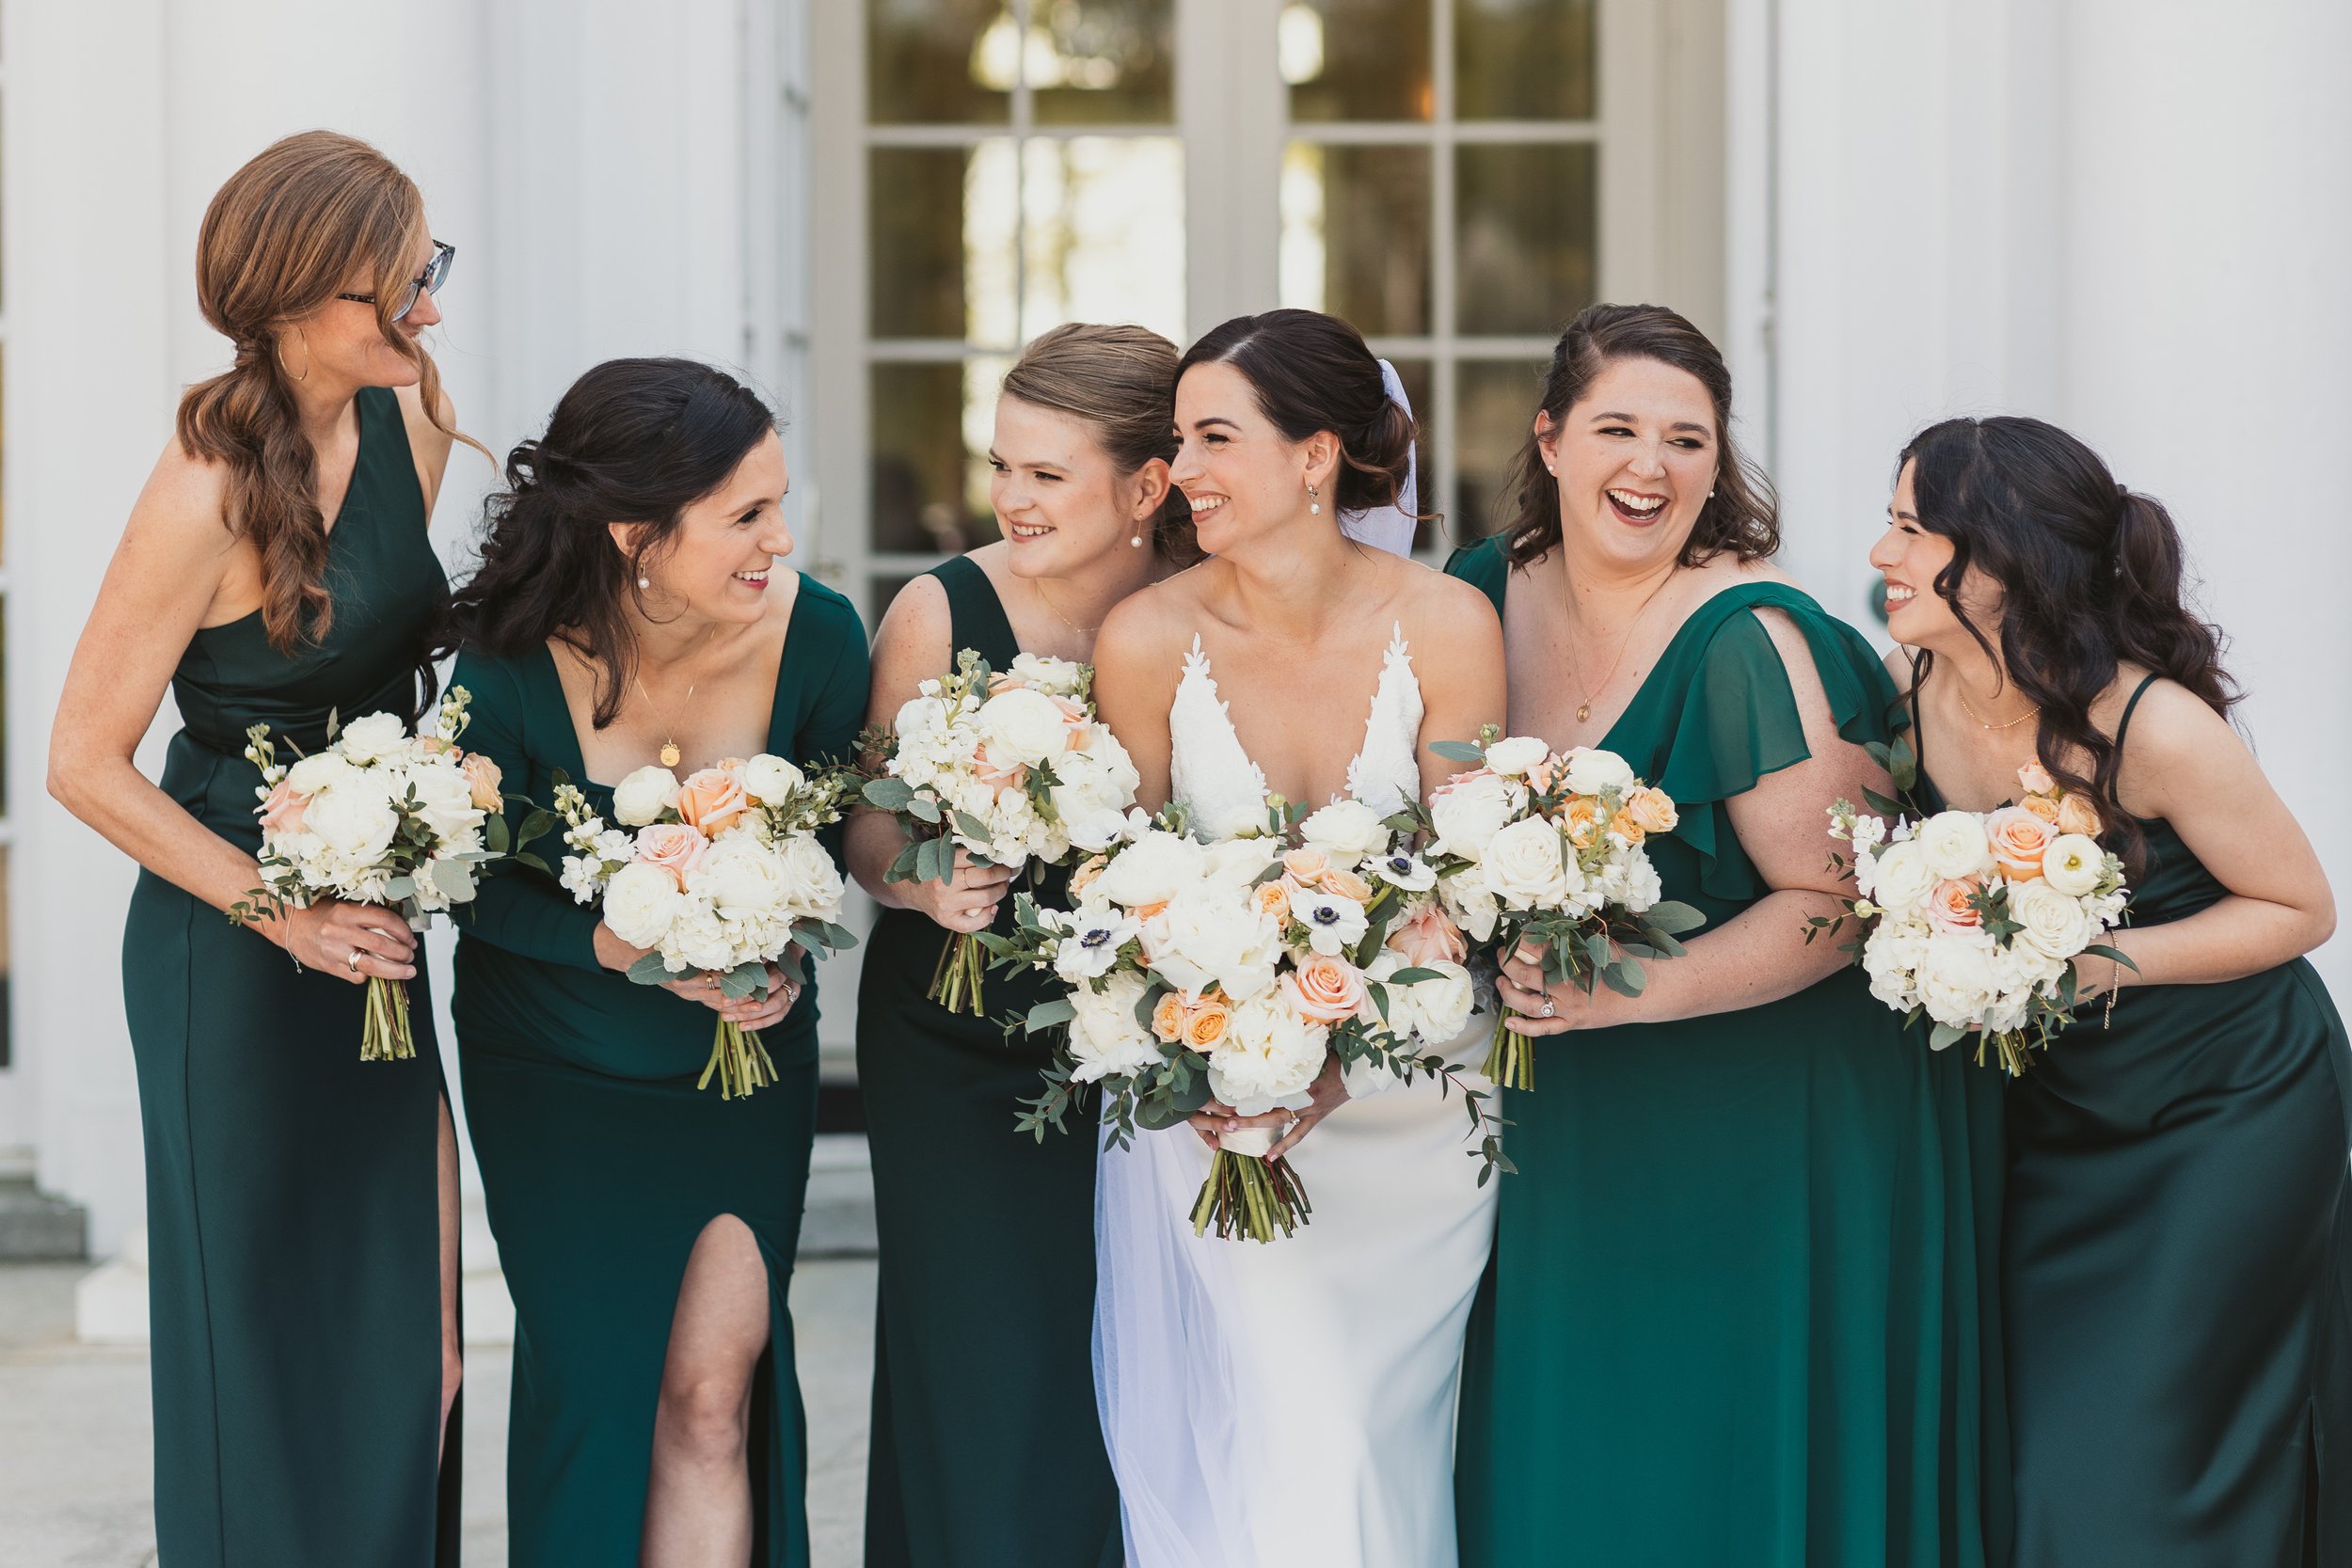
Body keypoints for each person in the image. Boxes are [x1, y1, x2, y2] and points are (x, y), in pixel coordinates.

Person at [1447, 303, 2009, 1566]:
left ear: (1718, 464)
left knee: (1715, 1436)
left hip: (1769, 1098)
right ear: (1549, 439)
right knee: (1581, 1431)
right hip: (1576, 1090)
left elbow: (1842, 899)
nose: (1649, 466)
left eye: (1687, 440)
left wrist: (1628, 991)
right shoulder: (1477, 592)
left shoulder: (1747, 635)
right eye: (1617, 429)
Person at [48, 130, 468, 1567]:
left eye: (428, 272)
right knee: (259, 1347)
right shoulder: (202, 486)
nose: (425, 308)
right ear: (292, 296)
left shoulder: (415, 416)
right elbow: (80, 760)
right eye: (395, 289)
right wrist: (278, 910)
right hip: (227, 944)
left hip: (376, 918)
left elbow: (402, 658)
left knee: (409, 1341)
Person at [1872, 414, 2349, 1566]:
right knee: (2036, 1453)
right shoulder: (1908, 686)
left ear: (2001, 559)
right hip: (2056, 1116)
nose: (1881, 553)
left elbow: (2299, 908)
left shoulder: (2152, 723)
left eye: (1909, 529)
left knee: (2147, 1455)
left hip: (2226, 1106)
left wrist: (2094, 962)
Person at [1087, 308, 1506, 1567]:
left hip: (1417, 1108)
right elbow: (1125, 896)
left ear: (1316, 454)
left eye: (1215, 438)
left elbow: (1463, 877)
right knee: (1298, 1429)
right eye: (1180, 438)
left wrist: (1343, 1058)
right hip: (1230, 1107)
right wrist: (1224, 1057)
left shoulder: (1449, 622)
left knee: (1379, 1439)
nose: (1182, 469)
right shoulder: (1146, 638)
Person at [441, 357, 868, 1567]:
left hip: (742, 1070)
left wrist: (782, 950)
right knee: (595, 1392)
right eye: (747, 514)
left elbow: (830, 843)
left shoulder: (819, 636)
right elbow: (467, 878)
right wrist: (607, 941)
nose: (781, 539)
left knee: (713, 1393)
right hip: (554, 1071)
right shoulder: (511, 655)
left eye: (777, 504)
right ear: (637, 534)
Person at [849, 323, 1188, 1568]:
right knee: (984, 1354)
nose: (1012, 496)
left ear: (1147, 486)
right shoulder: (942, 606)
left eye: (1048, 472)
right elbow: (867, 822)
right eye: (1003, 465)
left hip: (1151, 1037)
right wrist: (925, 879)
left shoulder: (1205, 603)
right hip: (956, 1029)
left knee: (1130, 1344)